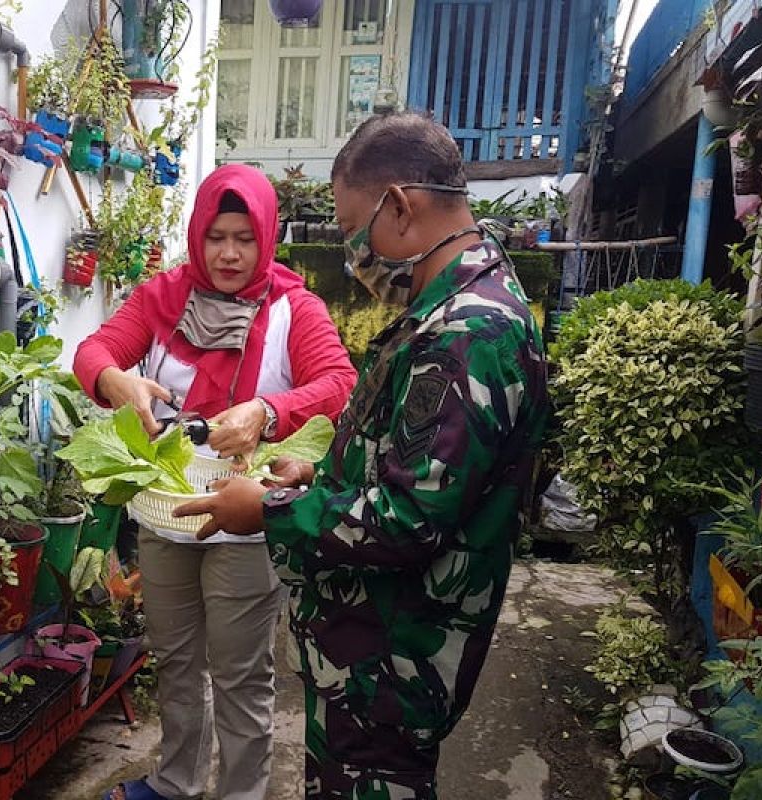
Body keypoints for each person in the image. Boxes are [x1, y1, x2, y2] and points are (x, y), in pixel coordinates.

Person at [176, 113, 550, 800]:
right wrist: (320, 474)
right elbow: (425, 471)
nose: (356, 256)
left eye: (355, 234)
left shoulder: (468, 334)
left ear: (400, 206)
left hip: (393, 660)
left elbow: (407, 519)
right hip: (367, 651)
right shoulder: (455, 309)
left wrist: (268, 510)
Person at [73, 164, 358, 800]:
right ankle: (175, 782)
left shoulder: (293, 308)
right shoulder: (160, 298)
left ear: (267, 239)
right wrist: (114, 381)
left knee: (240, 675)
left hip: (247, 519)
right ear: (197, 235)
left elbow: (341, 385)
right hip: (165, 510)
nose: (229, 253)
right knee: (174, 660)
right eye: (216, 236)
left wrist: (269, 411)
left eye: (246, 238)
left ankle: (240, 794)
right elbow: (93, 352)